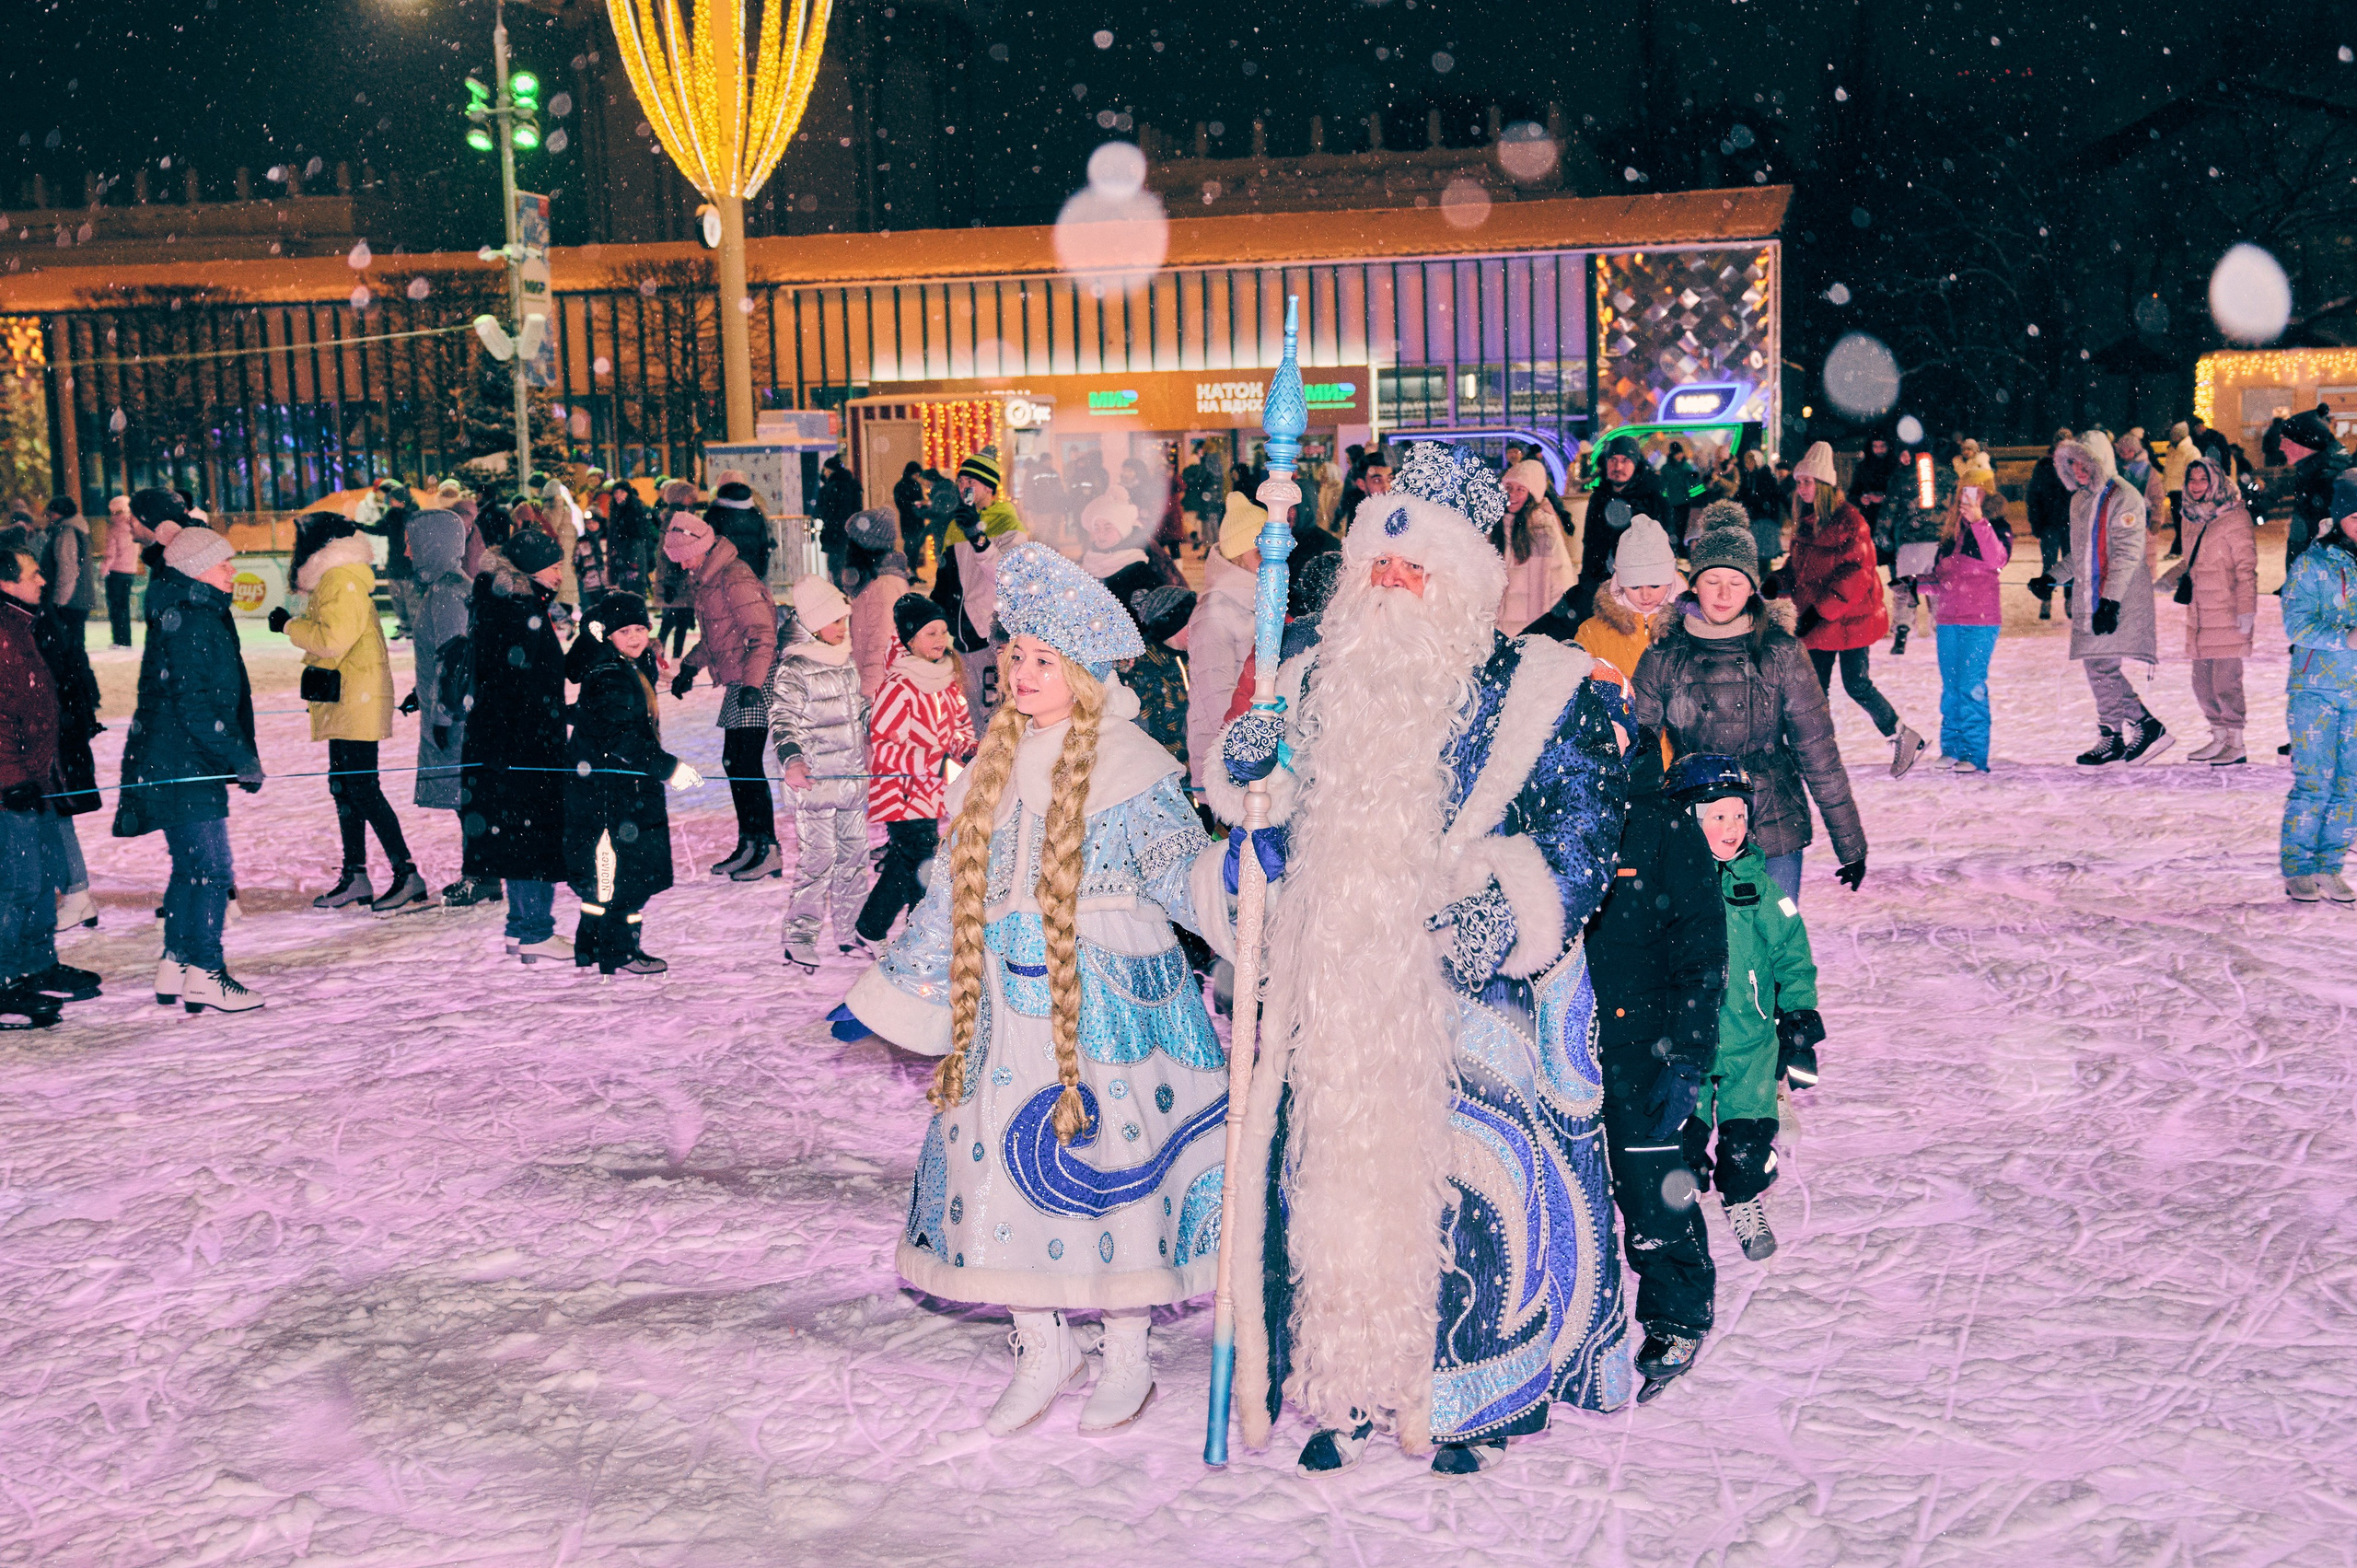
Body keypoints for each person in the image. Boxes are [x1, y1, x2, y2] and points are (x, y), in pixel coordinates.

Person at [1206, 441, 1631, 1476]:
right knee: (1327, 1183)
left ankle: (1462, 1389)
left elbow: (1582, 832)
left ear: (1463, 583)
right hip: (1338, 979)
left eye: (1412, 571)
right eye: (1375, 571)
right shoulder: (1307, 680)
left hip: (1464, 981)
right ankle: (1347, 1376)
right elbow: (1264, 813)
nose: (1390, 587)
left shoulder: (1545, 686)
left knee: (1473, 1187)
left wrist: (1497, 914)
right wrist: (1251, 805)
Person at [832, 541, 1231, 1440]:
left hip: (1113, 1008)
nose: (1018, 671)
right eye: (1014, 654)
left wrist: (1242, 861)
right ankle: (1039, 1343)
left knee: (1113, 1170)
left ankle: (1125, 1350)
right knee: (996, 1165)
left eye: (1041, 660)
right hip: (1002, 1014)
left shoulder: (1132, 767)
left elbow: (1184, 879)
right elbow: (950, 891)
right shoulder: (988, 766)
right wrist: (890, 988)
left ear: (1084, 674)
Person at [1583, 739, 1725, 1404]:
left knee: (1651, 1187)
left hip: (1647, 1045)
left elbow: (1702, 948)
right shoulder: (1551, 813)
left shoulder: (1667, 829)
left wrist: (1690, 1053)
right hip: (1560, 1041)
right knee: (1569, 1193)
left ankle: (1677, 1312)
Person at [1631, 522, 1868, 901]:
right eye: (1713, 580)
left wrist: (1850, 844)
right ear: (1693, 583)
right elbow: (1635, 751)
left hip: (1773, 823)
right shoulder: (1664, 654)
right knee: (1711, 953)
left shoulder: (1781, 652)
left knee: (1775, 947)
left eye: (1736, 582)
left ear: (1753, 587)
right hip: (1696, 821)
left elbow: (1818, 751)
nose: (1724, 594)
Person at [1678, 756, 1822, 1268]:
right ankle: (1680, 1209)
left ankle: (1744, 1200)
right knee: (1680, 1140)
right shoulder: (1671, 887)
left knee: (1749, 1137)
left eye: (1739, 816)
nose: (1731, 828)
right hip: (1686, 1041)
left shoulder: (1760, 887)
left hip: (1750, 1041)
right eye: (1717, 816)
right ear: (1688, 818)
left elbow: (1792, 952)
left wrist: (1799, 1016)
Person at [115, 521, 264, 1014]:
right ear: (199, 570)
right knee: (212, 870)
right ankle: (206, 972)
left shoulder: (190, 613)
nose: (231, 571)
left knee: (192, 868)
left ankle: (177, 962)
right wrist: (240, 756)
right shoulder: (194, 620)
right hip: (182, 761)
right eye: (223, 563)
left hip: (172, 758)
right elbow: (197, 705)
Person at [274, 515, 424, 913]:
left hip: (355, 695)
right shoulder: (339, 576)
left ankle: (407, 874)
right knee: (345, 785)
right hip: (348, 694)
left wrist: (289, 625)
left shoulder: (340, 577)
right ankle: (356, 875)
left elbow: (333, 638)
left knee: (361, 787)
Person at [566, 591, 701, 973]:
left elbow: (602, 717)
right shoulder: (612, 673)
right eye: (625, 630)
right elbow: (621, 737)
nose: (636, 636)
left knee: (611, 870)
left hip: (610, 784)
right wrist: (670, 768)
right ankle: (619, 950)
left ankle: (590, 944)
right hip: (618, 788)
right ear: (608, 634)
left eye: (641, 627)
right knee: (631, 871)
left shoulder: (623, 666)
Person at [459, 526, 575, 963]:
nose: (560, 574)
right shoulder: (515, 607)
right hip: (522, 745)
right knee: (531, 836)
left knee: (514, 835)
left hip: (503, 742)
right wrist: (552, 721)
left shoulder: (505, 600)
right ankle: (535, 931)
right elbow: (522, 682)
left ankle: (520, 928)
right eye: (553, 566)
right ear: (529, 569)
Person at [1782, 443, 1926, 778]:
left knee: (1856, 684)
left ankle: (1904, 736)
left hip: (1850, 619)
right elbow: (1800, 567)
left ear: (1825, 484)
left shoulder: (1849, 521)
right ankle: (1817, 753)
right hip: (1819, 620)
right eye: (1799, 482)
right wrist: (1778, 581)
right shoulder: (1807, 522)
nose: (1801, 488)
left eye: (1808, 482)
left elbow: (1855, 574)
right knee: (1816, 690)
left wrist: (1818, 612)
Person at [666, 507, 783, 879]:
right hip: (741, 680)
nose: (684, 567)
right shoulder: (710, 578)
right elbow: (719, 637)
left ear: (702, 546)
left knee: (745, 763)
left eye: (686, 558)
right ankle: (749, 842)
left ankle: (767, 848)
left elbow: (762, 635)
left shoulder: (734, 577)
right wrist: (689, 665)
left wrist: (751, 685)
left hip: (755, 678)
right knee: (736, 763)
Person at [854, 594, 975, 947]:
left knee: (907, 863)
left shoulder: (947, 682)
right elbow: (886, 748)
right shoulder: (898, 687)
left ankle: (877, 928)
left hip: (930, 792)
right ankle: (911, 934)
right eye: (930, 633)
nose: (940, 640)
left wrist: (968, 748)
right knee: (922, 861)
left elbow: (959, 728)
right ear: (909, 640)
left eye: (942, 632)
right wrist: (932, 761)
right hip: (901, 791)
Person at [771, 575, 870, 966]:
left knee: (854, 857)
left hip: (850, 778)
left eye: (844, 620)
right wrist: (792, 759)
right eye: (833, 622)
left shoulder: (845, 660)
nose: (841, 629)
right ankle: (800, 935)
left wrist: (874, 723)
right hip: (812, 782)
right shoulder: (795, 667)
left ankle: (851, 931)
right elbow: (783, 719)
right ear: (812, 625)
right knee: (818, 859)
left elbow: (857, 713)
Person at [2054, 432, 2170, 766]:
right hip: (2094, 597)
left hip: (2120, 596)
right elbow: (2081, 555)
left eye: (2084, 462)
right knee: (2099, 666)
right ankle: (2141, 727)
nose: (2078, 470)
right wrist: (2053, 576)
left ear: (2100, 460)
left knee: (2101, 665)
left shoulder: (2124, 496)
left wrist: (2111, 602)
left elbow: (2127, 554)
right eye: (2072, 464)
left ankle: (2115, 734)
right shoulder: (2080, 500)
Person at [0, 545, 77, 1027]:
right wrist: (11, 779)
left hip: (33, 774)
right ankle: (6, 980)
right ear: (6, 581)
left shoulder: (20, 624)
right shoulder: (4, 632)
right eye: (33, 573)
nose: (43, 580)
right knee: (17, 886)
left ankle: (30, 965)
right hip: (13, 782)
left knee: (40, 878)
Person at [2280, 472, 2357, 902]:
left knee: (2351, 785)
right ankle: (2299, 868)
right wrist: (2345, 637)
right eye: (2355, 515)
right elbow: (2297, 623)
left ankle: (2330, 866)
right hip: (2316, 690)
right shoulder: (2313, 563)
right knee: (2315, 784)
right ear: (2340, 516)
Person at [404, 509, 486, 904]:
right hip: (454, 707)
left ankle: (481, 875)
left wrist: (441, 713)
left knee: (468, 795)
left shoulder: (447, 592)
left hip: (457, 714)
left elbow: (455, 660)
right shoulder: (447, 587)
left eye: (411, 542)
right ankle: (482, 873)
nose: (406, 551)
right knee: (467, 795)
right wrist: (419, 692)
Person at [2167, 457, 2260, 767]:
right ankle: (2218, 737)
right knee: (2202, 683)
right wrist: (2168, 579)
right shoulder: (2190, 517)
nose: (2196, 486)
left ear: (2216, 481)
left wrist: (2247, 610)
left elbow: (2247, 569)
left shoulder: (2235, 518)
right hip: (2200, 613)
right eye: (2192, 480)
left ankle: (2236, 742)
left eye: (2202, 480)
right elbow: (2191, 561)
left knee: (2226, 682)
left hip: (2229, 612)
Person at [930, 447, 1028, 723]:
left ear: (988, 486)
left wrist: (979, 538)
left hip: (989, 632)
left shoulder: (1007, 521)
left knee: (995, 711)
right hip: (960, 636)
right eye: (960, 481)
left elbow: (1008, 578)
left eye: (970, 482)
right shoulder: (956, 524)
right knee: (971, 712)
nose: (963, 487)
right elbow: (946, 579)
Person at [1926, 482, 2013, 773]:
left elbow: (1997, 560)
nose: (1966, 505)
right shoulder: (1950, 537)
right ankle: (1951, 749)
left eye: (1972, 499)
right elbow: (1940, 579)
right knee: (1951, 688)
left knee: (1970, 685)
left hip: (1980, 621)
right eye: (1962, 500)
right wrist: (1912, 583)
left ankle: (1975, 755)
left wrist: (1979, 522)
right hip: (1949, 620)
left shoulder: (1996, 529)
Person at [1182, 494, 1262, 801]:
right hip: (1228, 765)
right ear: (1239, 556)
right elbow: (1219, 701)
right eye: (1259, 551)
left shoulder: (1261, 598)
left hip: (1257, 753)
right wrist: (1251, 754)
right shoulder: (1216, 610)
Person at [1555, 512, 1682, 678]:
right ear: (1620, 583)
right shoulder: (1595, 632)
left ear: (1670, 580)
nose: (1645, 595)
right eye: (1635, 587)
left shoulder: (1688, 626)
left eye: (1655, 585)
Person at [1574, 433, 1668, 624]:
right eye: (1613, 460)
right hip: (1600, 583)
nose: (1618, 467)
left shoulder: (1652, 496)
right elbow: (1590, 543)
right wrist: (1587, 581)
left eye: (1625, 461)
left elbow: (1666, 543)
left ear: (1636, 463)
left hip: (1639, 590)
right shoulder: (1599, 498)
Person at [1120, 582, 1195, 772]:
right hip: (1169, 765)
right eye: (1193, 621)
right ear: (1174, 626)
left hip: (1194, 757)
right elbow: (1144, 723)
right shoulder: (1147, 669)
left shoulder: (1193, 657)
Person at [1496, 459, 1571, 634]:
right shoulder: (1494, 527)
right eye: (1509, 488)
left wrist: (1555, 622)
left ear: (1532, 494)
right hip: (1498, 629)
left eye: (1520, 490)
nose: (1512, 495)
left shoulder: (1542, 527)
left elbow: (1559, 578)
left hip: (1533, 626)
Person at [2277, 410, 2353, 575]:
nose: (2280, 447)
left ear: (2305, 443)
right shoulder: (2310, 472)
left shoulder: (2329, 480)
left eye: (2285, 440)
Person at [847, 531, 913, 700]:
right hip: (882, 687)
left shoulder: (884, 585)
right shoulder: (877, 582)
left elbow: (881, 646)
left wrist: (869, 694)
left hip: (879, 690)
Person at [2026, 428, 2075, 621]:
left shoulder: (2076, 464)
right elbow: (2033, 496)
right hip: (2050, 524)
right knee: (2049, 563)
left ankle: (2070, 599)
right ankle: (2045, 599)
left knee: (2072, 563)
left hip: (2072, 524)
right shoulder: (2045, 466)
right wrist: (2036, 524)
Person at [39, 496, 94, 646]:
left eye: (50, 515)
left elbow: (67, 568)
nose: (48, 519)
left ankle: (75, 670)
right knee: (74, 644)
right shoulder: (76, 531)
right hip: (77, 598)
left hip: (70, 600)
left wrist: (59, 600)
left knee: (68, 645)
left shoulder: (67, 533)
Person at [815, 456, 864, 586]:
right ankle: (850, 588)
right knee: (848, 563)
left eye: (825, 470)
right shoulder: (853, 486)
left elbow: (818, 512)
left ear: (830, 470)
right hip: (850, 533)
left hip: (833, 533)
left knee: (835, 566)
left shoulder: (828, 489)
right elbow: (857, 509)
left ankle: (839, 590)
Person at [100, 494, 139, 647]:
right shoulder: (133, 525)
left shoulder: (114, 527)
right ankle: (126, 639)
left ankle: (118, 639)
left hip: (115, 572)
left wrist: (103, 570)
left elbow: (111, 553)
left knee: (115, 607)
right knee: (124, 606)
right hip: (130, 571)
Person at [1658, 441, 1702, 544]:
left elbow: (1693, 483)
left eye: (1680, 453)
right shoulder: (1666, 468)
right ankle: (1676, 546)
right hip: (1672, 502)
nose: (1679, 456)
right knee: (1674, 526)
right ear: (1672, 454)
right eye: (1676, 454)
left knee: (1682, 526)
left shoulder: (1686, 466)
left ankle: (1680, 546)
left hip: (1684, 501)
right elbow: (1663, 485)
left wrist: (1695, 478)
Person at [893, 460, 931, 561]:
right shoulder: (902, 486)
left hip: (916, 520)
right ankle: (908, 567)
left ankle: (911, 567)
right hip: (909, 520)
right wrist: (917, 505)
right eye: (915, 474)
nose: (917, 476)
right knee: (911, 546)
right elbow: (902, 504)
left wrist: (923, 506)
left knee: (915, 546)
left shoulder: (915, 486)